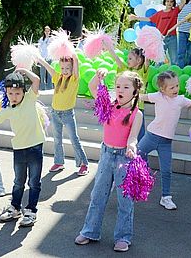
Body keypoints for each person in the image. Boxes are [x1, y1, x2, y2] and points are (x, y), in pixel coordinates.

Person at [75, 70, 143, 252]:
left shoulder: (138, 114)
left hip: (124, 159)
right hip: (106, 154)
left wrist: (131, 147)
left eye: (126, 87)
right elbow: (91, 87)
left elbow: (133, 137)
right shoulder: (108, 105)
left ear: (135, 91)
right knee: (97, 195)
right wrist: (98, 78)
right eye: (118, 86)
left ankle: (123, 237)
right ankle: (89, 231)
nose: (120, 89)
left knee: (125, 200)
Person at [0, 69, 44, 227]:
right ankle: (15, 208)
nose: (14, 96)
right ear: (6, 92)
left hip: (35, 147)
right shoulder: (8, 110)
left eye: (18, 93)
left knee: (34, 182)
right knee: (18, 181)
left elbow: (36, 80)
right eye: (11, 93)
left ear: (24, 92)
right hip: (19, 149)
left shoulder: (30, 99)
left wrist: (24, 71)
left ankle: (31, 211)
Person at [138, 71, 191, 210]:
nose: (176, 89)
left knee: (166, 170)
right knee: (134, 158)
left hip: (166, 143)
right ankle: (123, 183)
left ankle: (166, 197)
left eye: (177, 85)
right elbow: (140, 97)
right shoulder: (158, 97)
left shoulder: (180, 100)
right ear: (162, 89)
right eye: (171, 87)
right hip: (151, 136)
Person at [36, 54, 89, 175]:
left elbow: (76, 66)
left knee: (74, 139)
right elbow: (48, 67)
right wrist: (40, 59)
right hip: (55, 113)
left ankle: (83, 164)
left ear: (72, 69)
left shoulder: (74, 79)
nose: (65, 71)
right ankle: (59, 162)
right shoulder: (58, 77)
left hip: (67, 114)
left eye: (67, 68)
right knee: (57, 139)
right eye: (62, 68)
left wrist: (74, 57)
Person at [104, 41, 149, 141]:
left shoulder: (143, 71)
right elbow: (116, 58)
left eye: (130, 58)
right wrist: (108, 46)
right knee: (125, 133)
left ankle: (139, 155)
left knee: (140, 136)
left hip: (138, 108)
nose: (127, 60)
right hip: (125, 108)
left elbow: (147, 60)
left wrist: (148, 45)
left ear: (139, 60)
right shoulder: (125, 70)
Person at [128, 0, 185, 65]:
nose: (169, 3)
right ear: (165, 2)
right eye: (167, 1)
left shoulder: (175, 11)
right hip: (161, 39)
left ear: (173, 3)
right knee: (159, 60)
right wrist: (136, 17)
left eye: (171, 2)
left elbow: (183, 1)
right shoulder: (160, 13)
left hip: (172, 38)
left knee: (174, 59)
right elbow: (149, 19)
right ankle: (157, 74)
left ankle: (174, 74)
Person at [38, 26, 53, 90]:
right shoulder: (41, 39)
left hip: (49, 58)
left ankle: (49, 86)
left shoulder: (51, 39)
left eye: (48, 31)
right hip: (42, 58)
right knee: (42, 73)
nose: (47, 32)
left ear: (50, 32)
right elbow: (39, 48)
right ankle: (42, 86)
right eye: (46, 31)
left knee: (49, 73)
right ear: (44, 32)